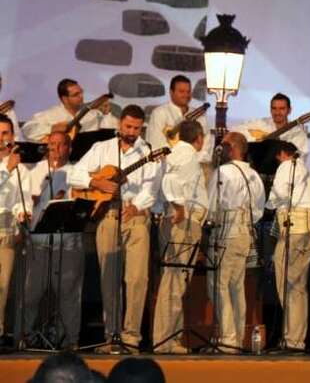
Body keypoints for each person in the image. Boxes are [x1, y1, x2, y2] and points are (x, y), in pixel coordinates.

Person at [68, 105, 162, 351]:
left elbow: (151, 189)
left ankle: (131, 337)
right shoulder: (102, 148)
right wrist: (95, 182)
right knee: (108, 278)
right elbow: (73, 174)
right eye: (128, 126)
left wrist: (137, 206)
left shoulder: (148, 153)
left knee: (137, 278)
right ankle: (111, 336)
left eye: (136, 128)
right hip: (107, 215)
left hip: (136, 217)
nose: (131, 132)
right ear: (120, 124)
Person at [153, 120, 208, 354]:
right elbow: (170, 181)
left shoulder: (175, 154)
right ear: (199, 138)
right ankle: (165, 340)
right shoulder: (187, 155)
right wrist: (179, 208)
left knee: (175, 281)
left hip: (176, 220)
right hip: (183, 222)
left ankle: (170, 339)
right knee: (175, 282)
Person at [24, 131, 83, 349]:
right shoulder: (35, 171)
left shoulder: (77, 172)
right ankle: (27, 337)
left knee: (68, 295)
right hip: (39, 244)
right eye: (51, 144)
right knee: (31, 295)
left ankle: (68, 340)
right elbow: (26, 203)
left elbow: (81, 204)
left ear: (69, 148)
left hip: (67, 245)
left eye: (61, 144)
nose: (55, 149)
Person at [207, 132, 265, 349]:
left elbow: (211, 204)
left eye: (223, 145)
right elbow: (258, 211)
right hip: (245, 232)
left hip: (226, 230)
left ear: (231, 148)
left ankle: (228, 338)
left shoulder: (223, 172)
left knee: (218, 284)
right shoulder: (254, 175)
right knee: (236, 285)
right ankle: (238, 337)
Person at [266, 141, 310, 350]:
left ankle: (294, 339)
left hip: (294, 228)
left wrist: (270, 201)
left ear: (282, 154)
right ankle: (294, 338)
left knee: (289, 285)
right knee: (297, 286)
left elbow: (280, 193)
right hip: (308, 228)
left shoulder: (287, 166)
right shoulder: (309, 174)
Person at [0, 113, 32, 340]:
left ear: (12, 136)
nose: (2, 138)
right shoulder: (12, 168)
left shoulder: (22, 170)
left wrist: (23, 211)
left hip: (6, 231)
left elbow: (24, 198)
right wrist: (6, 170)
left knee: (2, 287)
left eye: (5, 133)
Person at [146, 75, 213, 162]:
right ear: (171, 92)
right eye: (181, 91)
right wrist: (180, 160)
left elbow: (206, 149)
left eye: (188, 91)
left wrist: (190, 160)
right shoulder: (159, 113)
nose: (186, 95)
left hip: (195, 165)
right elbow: (157, 146)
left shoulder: (200, 117)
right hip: (168, 167)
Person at [233, 93, 310, 159]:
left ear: (289, 110)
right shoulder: (260, 123)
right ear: (270, 109)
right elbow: (235, 130)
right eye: (274, 108)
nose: (277, 112)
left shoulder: (298, 133)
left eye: (282, 109)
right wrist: (259, 139)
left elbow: (302, 157)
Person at [22, 78, 101, 142]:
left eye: (81, 92)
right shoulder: (50, 115)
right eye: (76, 95)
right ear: (64, 99)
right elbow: (27, 129)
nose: (81, 96)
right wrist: (52, 129)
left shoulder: (93, 114)